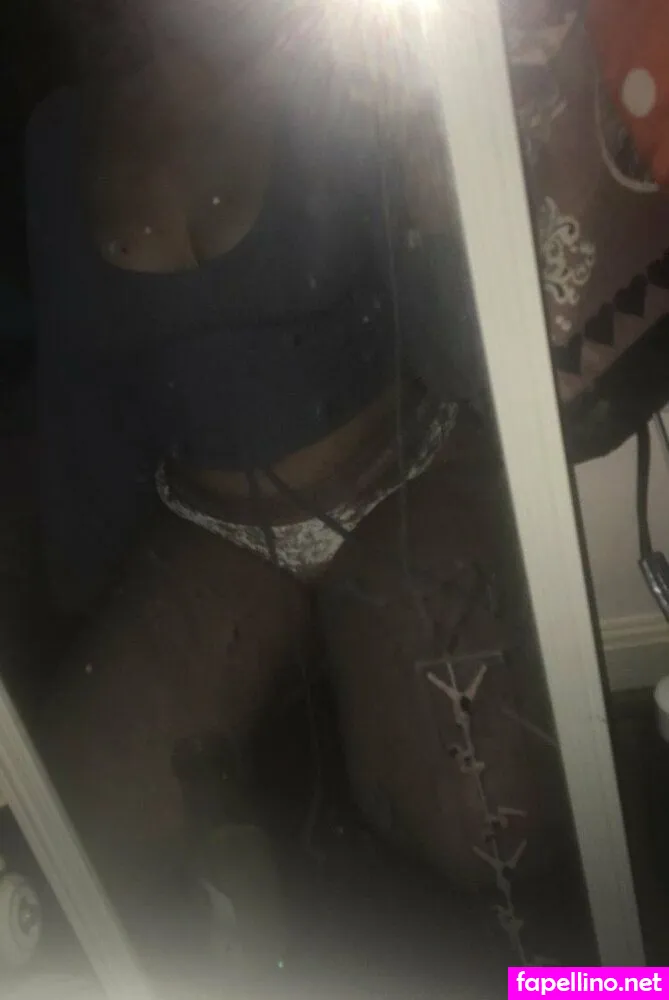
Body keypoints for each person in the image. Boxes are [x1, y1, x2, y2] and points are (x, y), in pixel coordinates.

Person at [24, 0, 562, 960]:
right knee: (70, 846)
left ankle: (594, 984)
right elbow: (77, 381)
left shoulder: (333, 59)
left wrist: (438, 219)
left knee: (489, 828)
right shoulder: (59, 133)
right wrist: (87, 604)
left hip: (402, 475)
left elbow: (452, 333)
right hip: (212, 528)